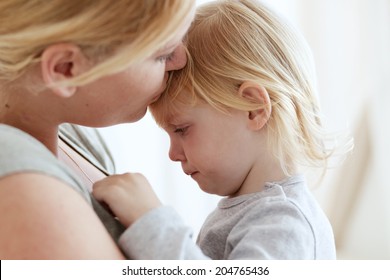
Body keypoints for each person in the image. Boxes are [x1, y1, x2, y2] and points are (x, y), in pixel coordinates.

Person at [92, 0, 353, 259]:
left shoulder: (283, 223)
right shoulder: (256, 211)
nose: (173, 154)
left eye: (182, 129)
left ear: (254, 108)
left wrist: (150, 222)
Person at [0, 0, 195, 259]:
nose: (181, 60)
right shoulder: (24, 191)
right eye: (161, 54)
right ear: (64, 69)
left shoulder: (73, 135)